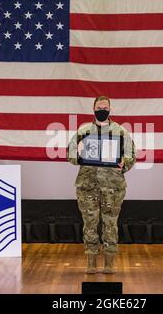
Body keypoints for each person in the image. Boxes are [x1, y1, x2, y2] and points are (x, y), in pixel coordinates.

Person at [67, 96, 136, 274]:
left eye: (105, 107)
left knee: (110, 224)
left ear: (110, 109)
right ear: (94, 108)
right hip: (88, 185)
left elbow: (130, 155)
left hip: (112, 187)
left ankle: (109, 261)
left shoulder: (120, 132)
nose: (102, 110)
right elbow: (70, 152)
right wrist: (80, 156)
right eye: (99, 107)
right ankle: (91, 260)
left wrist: (124, 163)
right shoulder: (84, 131)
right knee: (90, 223)